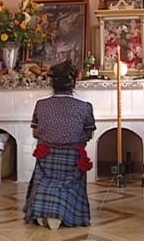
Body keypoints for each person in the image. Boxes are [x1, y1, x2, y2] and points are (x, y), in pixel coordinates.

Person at [23, 60, 96, 230]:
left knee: (44, 175)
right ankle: (61, 213)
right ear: (74, 82)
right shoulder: (84, 107)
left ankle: (42, 211)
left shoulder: (41, 105)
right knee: (71, 175)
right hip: (71, 158)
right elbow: (88, 134)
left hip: (47, 156)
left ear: (52, 82)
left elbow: (35, 133)